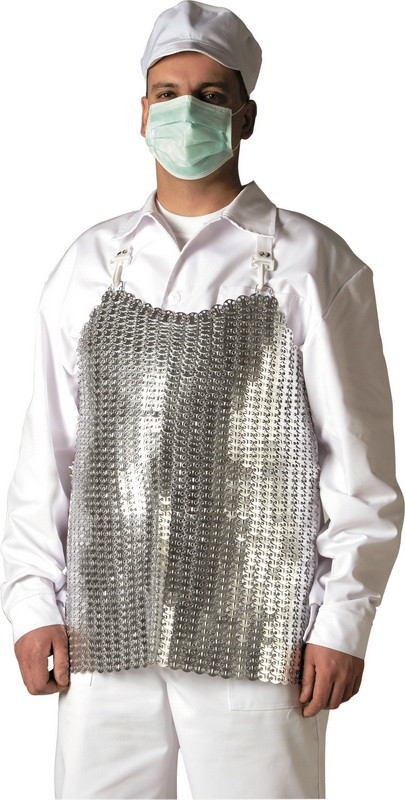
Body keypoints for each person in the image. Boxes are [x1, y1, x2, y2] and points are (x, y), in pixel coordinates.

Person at [1, 1, 403, 798]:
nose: (186, 111)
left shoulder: (312, 263)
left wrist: (342, 622)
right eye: (167, 94)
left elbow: (359, 469)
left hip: (259, 636)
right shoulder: (89, 264)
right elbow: (47, 456)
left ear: (245, 115)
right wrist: (31, 602)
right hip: (102, 630)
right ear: (141, 113)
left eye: (210, 95)